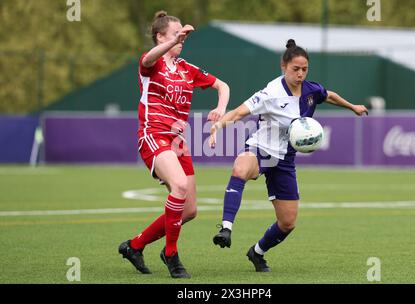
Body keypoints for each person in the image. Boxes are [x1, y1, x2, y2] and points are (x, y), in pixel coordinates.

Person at [209, 39, 368, 272]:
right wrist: (218, 126)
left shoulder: (311, 90)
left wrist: (352, 106)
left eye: (304, 69)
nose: (300, 74)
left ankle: (257, 252)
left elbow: (330, 95)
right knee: (240, 169)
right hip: (261, 149)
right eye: (296, 69)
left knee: (288, 222)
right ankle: (226, 228)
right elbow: (239, 111)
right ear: (284, 66)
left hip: (285, 160)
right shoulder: (270, 93)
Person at [118, 11, 229, 279]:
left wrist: (220, 108)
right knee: (179, 186)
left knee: (189, 210)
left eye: (183, 35)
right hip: (153, 135)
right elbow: (147, 58)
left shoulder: (187, 69)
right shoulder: (152, 64)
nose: (182, 38)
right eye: (176, 34)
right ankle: (171, 253)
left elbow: (223, 86)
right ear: (160, 36)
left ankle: (135, 246)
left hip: (178, 143)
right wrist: (171, 42)